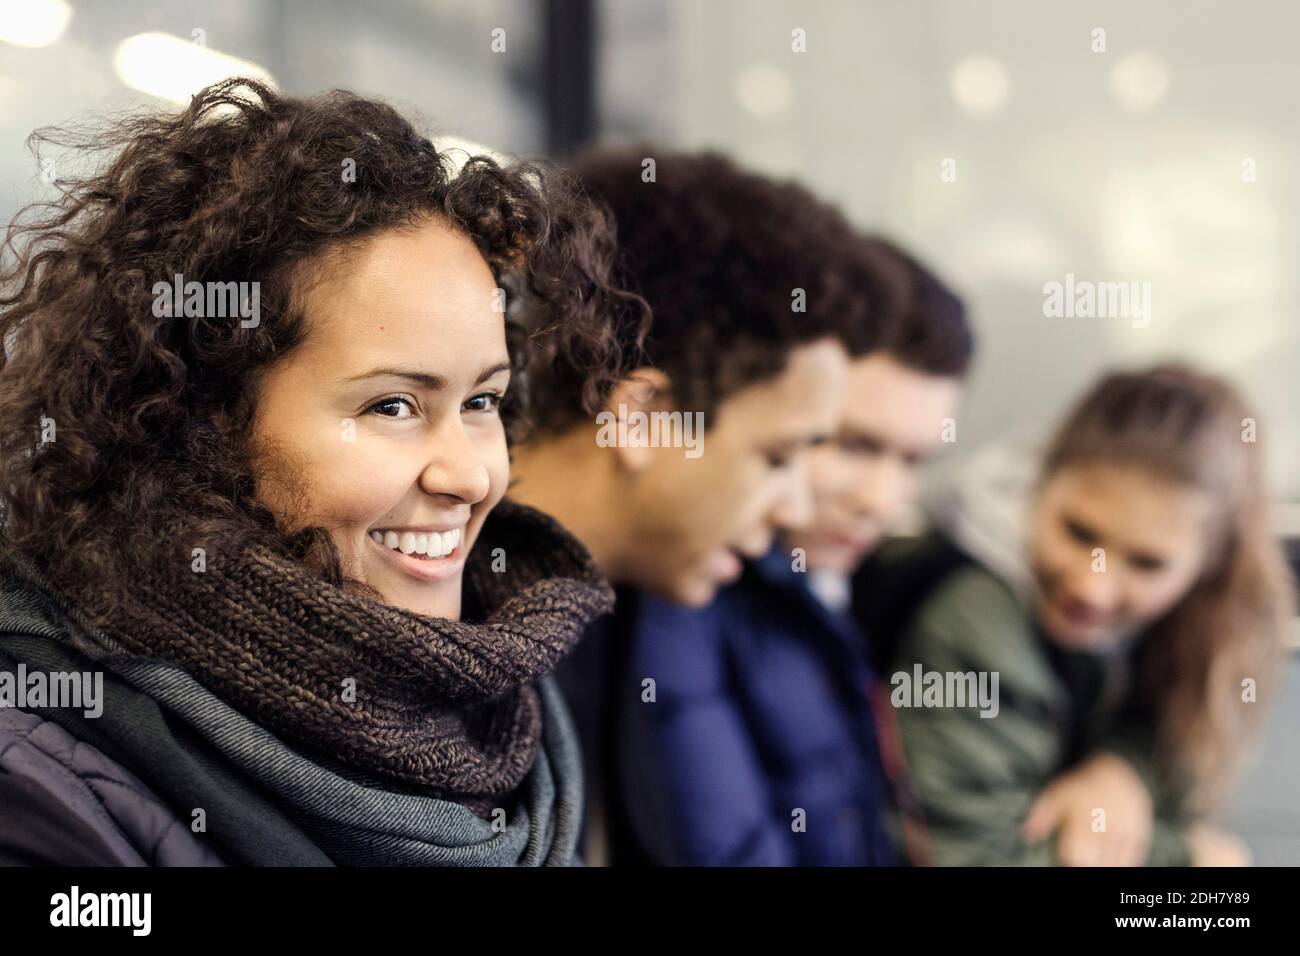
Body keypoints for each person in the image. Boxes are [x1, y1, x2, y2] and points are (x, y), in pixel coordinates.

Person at [0, 78, 646, 866]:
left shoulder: (512, 700)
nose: (470, 478)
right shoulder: (40, 780)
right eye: (393, 407)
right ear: (203, 423)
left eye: (482, 400)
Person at [510, 148, 901, 861]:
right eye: (779, 458)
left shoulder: (619, 611)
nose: (793, 510)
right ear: (644, 417)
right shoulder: (456, 651)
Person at [612, 239, 973, 865]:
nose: (881, 499)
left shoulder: (881, 582)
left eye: (913, 460)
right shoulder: (679, 589)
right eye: (851, 444)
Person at [881, 365, 1295, 865]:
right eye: (1078, 533)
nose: (1091, 588)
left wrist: (1122, 771)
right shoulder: (974, 619)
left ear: (1206, 568)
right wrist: (1189, 859)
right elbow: (969, 857)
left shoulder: (1200, 628)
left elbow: (1164, 745)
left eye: (1146, 563)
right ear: (1040, 485)